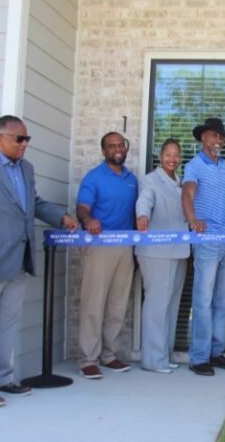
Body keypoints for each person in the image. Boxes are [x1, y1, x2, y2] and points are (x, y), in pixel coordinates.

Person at [0, 115, 79, 407]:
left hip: (17, 261)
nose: (24, 144)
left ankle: (2, 379)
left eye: (27, 139)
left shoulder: (26, 169)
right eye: (18, 139)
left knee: (6, 325)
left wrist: (60, 217)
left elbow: (32, 204)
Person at [76, 131, 138, 379]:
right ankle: (87, 359)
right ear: (103, 151)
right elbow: (82, 207)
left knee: (117, 304)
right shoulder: (94, 177)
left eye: (120, 145)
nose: (117, 149)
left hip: (125, 246)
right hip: (100, 245)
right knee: (94, 303)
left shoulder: (132, 179)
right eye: (111, 146)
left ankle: (109, 355)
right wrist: (89, 219)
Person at [182, 118, 225, 376]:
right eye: (214, 136)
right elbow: (187, 192)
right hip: (207, 242)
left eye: (222, 137)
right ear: (203, 137)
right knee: (203, 300)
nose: (219, 140)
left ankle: (216, 353)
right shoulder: (195, 165)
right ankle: (199, 358)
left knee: (223, 302)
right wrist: (192, 218)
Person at [135, 139, 190, 374]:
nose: (172, 158)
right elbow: (145, 200)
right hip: (157, 252)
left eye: (176, 155)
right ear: (160, 156)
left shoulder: (179, 182)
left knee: (171, 305)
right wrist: (142, 216)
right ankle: (152, 360)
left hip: (178, 251)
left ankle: (164, 355)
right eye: (168, 154)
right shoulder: (151, 180)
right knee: (157, 305)